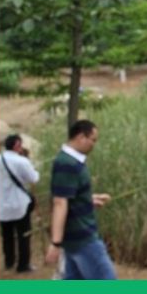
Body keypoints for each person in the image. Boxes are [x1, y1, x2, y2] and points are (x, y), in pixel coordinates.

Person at [44, 120, 116, 280]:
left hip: (74, 240)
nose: (94, 145)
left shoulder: (71, 161)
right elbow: (60, 202)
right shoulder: (67, 163)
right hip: (83, 239)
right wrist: (55, 243)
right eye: (93, 140)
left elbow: (69, 196)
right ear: (81, 137)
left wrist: (88, 200)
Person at [0, 134, 39, 273]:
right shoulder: (21, 161)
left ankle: (9, 262)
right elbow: (34, 178)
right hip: (20, 205)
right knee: (23, 235)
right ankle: (23, 265)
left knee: (7, 236)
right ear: (17, 145)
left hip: (2, 205)